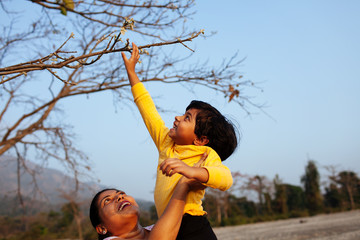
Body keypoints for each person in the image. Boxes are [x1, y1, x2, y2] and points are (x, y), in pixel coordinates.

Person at [121, 43, 238, 240]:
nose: (177, 118)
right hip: (168, 227)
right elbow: (148, 110)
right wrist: (132, 73)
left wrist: (192, 171)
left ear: (201, 139)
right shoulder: (166, 142)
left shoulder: (206, 155)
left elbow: (226, 179)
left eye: (187, 118)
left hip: (193, 226)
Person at [89, 155, 207, 240]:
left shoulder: (159, 227)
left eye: (121, 194)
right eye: (107, 200)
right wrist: (183, 186)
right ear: (101, 228)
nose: (119, 198)